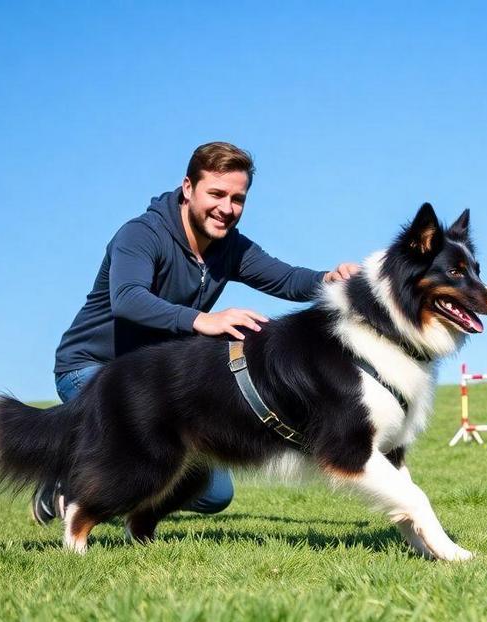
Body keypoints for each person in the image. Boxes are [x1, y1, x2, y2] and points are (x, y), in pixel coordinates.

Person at [33, 142, 360, 525]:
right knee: (133, 457)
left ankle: (127, 501)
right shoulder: (141, 234)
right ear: (188, 188)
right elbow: (128, 298)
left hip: (158, 386)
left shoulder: (229, 247)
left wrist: (328, 278)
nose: (227, 208)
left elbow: (286, 278)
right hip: (93, 369)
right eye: (217, 194)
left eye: (238, 199)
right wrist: (202, 321)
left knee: (212, 491)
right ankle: (70, 476)